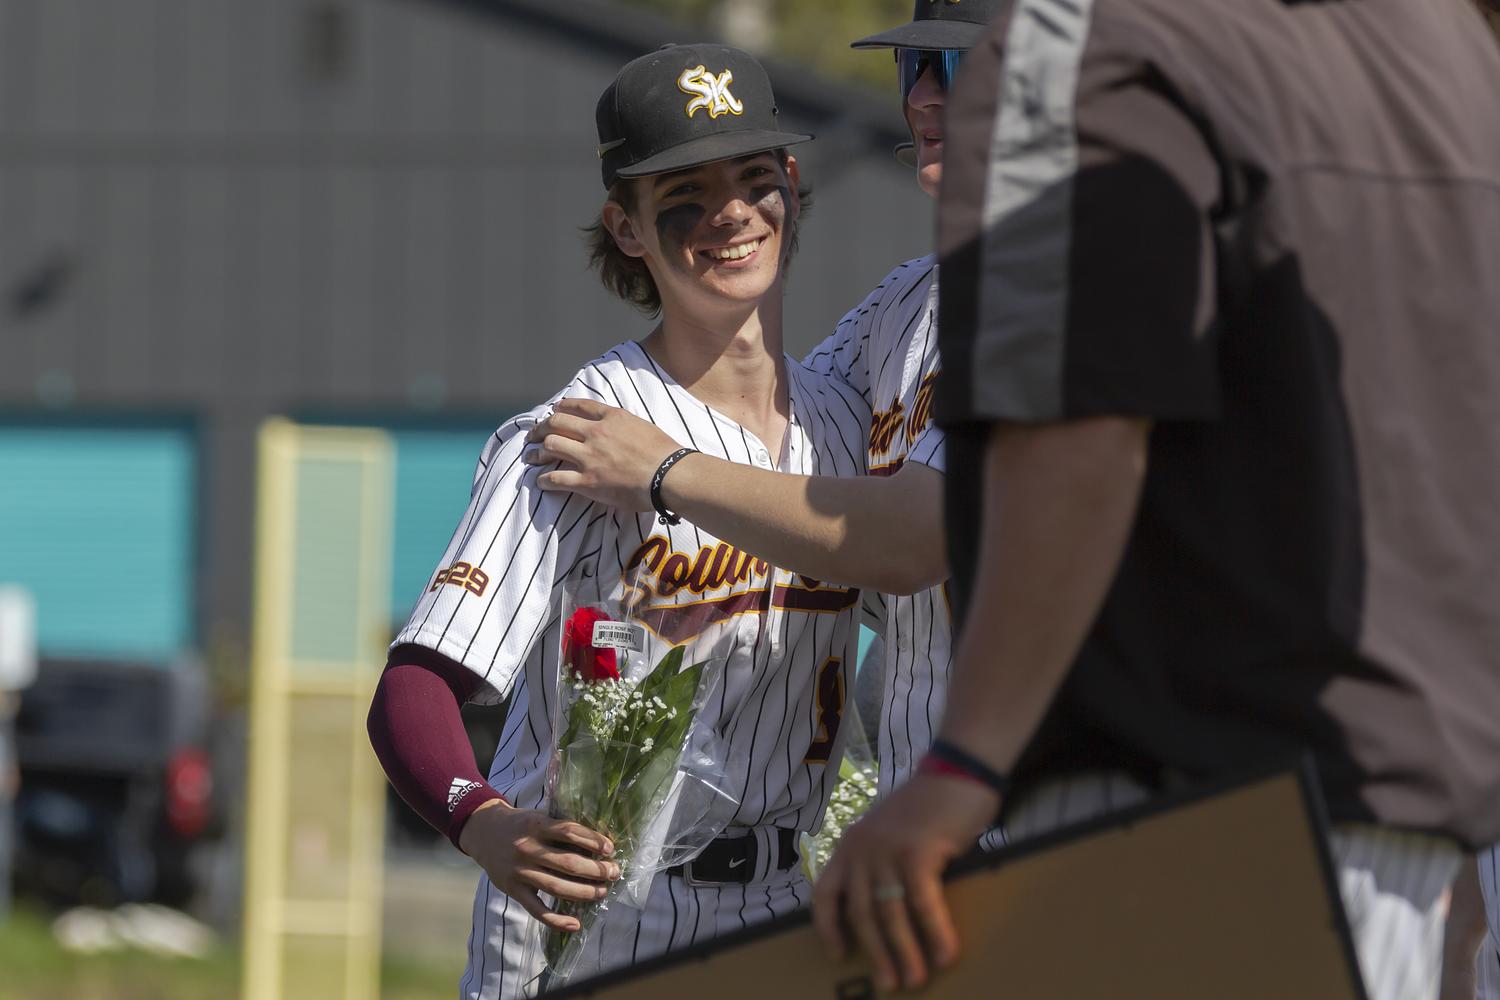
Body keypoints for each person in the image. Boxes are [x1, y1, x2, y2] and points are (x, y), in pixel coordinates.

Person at [813, 2, 1500, 999]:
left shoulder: (1075, 42)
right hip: (1396, 814)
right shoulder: (1443, 53)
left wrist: (964, 762)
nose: (927, 90)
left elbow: (1080, 431)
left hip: (1168, 800)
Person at [368, 43, 871, 999]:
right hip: (590, 918)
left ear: (791, 186)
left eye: (752, 178)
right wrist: (482, 820)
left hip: (783, 906)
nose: (730, 212)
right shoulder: (581, 434)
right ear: (626, 227)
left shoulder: (845, 426)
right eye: (685, 192)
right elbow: (417, 684)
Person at [524, 0, 1004, 815]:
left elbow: (917, 539)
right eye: (911, 67)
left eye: (955, 66)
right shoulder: (904, 306)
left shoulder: (1087, 281)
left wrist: (664, 472)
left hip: (1074, 810)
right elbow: (761, 438)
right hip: (949, 823)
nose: (924, 95)